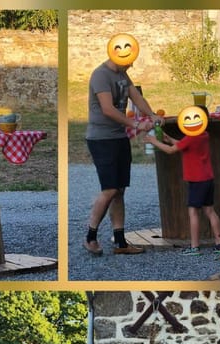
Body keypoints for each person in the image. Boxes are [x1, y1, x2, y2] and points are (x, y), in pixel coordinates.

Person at [84, 36, 161, 256]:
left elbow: (136, 97)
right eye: (129, 61)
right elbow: (108, 109)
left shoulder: (122, 74)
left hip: (118, 138)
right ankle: (90, 237)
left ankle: (120, 243)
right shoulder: (100, 75)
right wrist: (136, 123)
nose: (131, 65)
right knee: (109, 190)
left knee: (119, 191)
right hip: (101, 138)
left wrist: (152, 114)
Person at [143, 106, 220, 256]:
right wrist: (169, 139)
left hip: (197, 181)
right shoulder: (203, 135)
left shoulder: (191, 137)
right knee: (210, 211)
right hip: (207, 179)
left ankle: (194, 246)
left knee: (193, 212)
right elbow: (183, 145)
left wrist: (153, 141)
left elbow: (171, 150)